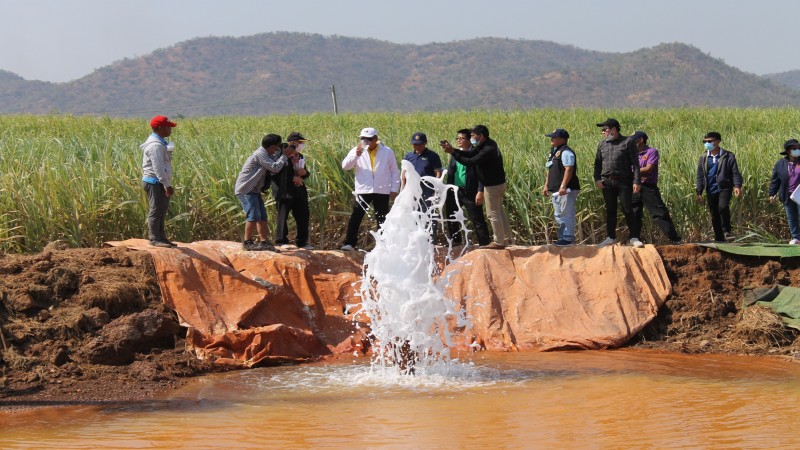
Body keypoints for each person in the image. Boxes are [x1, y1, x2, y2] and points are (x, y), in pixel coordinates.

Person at [442, 125, 511, 249]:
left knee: (492, 214)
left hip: (491, 186)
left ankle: (499, 242)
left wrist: (452, 152)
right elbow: (470, 153)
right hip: (492, 184)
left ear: (481, 136)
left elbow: (471, 161)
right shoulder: (485, 145)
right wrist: (453, 150)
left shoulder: (488, 149)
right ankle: (507, 238)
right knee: (499, 211)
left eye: (473, 136)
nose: (472, 137)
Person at [341, 127, 400, 251]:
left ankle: (383, 245)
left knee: (382, 217)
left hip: (382, 189)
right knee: (356, 216)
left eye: (368, 139)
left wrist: (394, 188)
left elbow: (394, 170)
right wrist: (356, 156)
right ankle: (350, 243)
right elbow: (345, 166)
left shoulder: (387, 151)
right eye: (363, 139)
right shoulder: (356, 151)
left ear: (376, 139)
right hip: (363, 189)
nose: (365, 142)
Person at [234, 133, 294, 251]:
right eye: (277, 147)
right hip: (246, 189)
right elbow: (275, 168)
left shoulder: (267, 154)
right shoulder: (260, 154)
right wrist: (284, 156)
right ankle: (247, 242)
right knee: (253, 216)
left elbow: (277, 164)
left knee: (262, 216)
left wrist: (285, 154)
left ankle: (263, 242)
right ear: (271, 147)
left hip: (254, 190)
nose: (278, 149)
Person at [593, 118, 643, 248]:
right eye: (602, 130)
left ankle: (634, 237)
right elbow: (597, 164)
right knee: (610, 210)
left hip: (624, 182)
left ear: (614, 130)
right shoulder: (602, 144)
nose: (602, 132)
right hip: (607, 182)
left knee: (627, 209)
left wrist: (636, 181)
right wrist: (597, 179)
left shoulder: (628, 142)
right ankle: (610, 237)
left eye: (605, 130)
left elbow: (636, 164)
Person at [629, 130, 682, 244]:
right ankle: (634, 238)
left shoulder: (651, 152)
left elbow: (648, 169)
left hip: (648, 186)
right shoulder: (631, 154)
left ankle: (674, 238)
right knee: (634, 213)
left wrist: (630, 172)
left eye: (634, 141)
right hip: (633, 186)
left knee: (659, 213)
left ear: (641, 140)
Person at [443, 129, 491, 247]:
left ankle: (484, 243)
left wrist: (480, 191)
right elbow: (451, 172)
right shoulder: (455, 154)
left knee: (477, 218)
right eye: (457, 138)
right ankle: (456, 240)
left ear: (470, 140)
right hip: (454, 191)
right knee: (451, 215)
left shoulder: (475, 154)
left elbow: (481, 175)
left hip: (470, 191)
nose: (458, 140)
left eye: (462, 138)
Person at [696, 131, 743, 242]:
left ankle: (727, 231)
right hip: (710, 188)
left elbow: (735, 172)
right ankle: (719, 238)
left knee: (722, 207)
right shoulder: (704, 157)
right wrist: (699, 191)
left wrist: (737, 185)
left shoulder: (728, 156)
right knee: (714, 214)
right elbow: (700, 175)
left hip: (724, 187)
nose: (707, 144)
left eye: (710, 141)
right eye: (705, 142)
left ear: (718, 142)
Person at [141, 115, 178, 248]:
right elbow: (158, 168)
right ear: (161, 128)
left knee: (162, 210)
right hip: (155, 182)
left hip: (159, 181)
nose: (170, 130)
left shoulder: (160, 143)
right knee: (156, 210)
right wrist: (166, 185)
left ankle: (161, 237)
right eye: (168, 127)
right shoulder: (155, 146)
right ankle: (154, 238)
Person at [272, 132, 313, 250]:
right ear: (291, 142)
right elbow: (274, 173)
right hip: (284, 190)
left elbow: (304, 172)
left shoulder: (300, 156)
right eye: (299, 142)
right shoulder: (280, 154)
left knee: (303, 215)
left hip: (299, 190)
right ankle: (281, 241)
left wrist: (304, 173)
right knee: (283, 215)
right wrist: (292, 178)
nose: (301, 145)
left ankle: (302, 241)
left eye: (302, 143)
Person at [542, 128, 580, 246]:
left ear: (562, 139)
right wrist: (546, 185)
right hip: (556, 190)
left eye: (554, 137)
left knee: (566, 213)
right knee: (558, 215)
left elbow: (569, 169)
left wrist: (563, 186)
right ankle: (563, 237)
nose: (551, 139)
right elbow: (550, 169)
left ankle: (568, 238)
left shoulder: (566, 152)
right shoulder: (554, 151)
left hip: (566, 189)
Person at [768, 139, 800, 244]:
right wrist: (772, 193)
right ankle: (796, 238)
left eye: (798, 148)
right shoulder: (780, 164)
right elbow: (775, 180)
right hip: (787, 194)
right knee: (791, 217)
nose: (797, 150)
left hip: (799, 193)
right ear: (788, 151)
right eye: (794, 149)